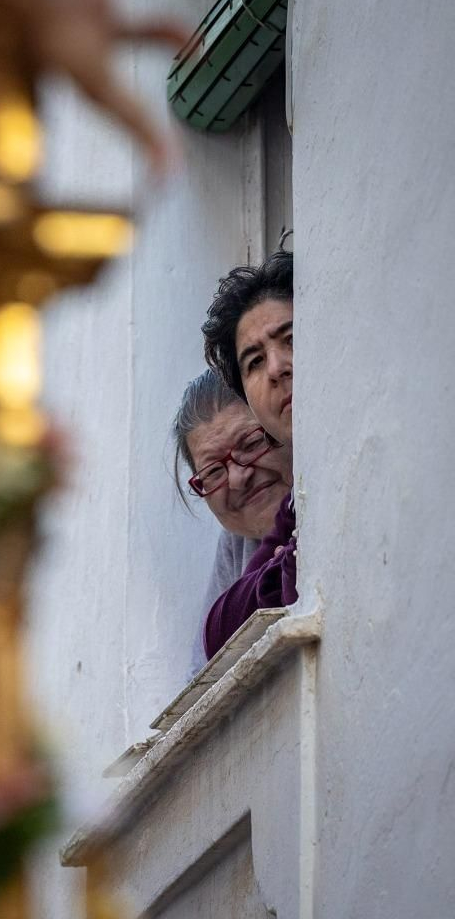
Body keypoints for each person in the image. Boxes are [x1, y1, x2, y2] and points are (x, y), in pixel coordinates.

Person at [199, 251, 297, 657]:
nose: (276, 368)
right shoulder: (295, 507)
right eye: (254, 361)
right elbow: (217, 633)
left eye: (291, 339)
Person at [171, 369, 293, 660]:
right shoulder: (235, 544)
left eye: (251, 443)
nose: (238, 478)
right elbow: (205, 675)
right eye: (213, 471)